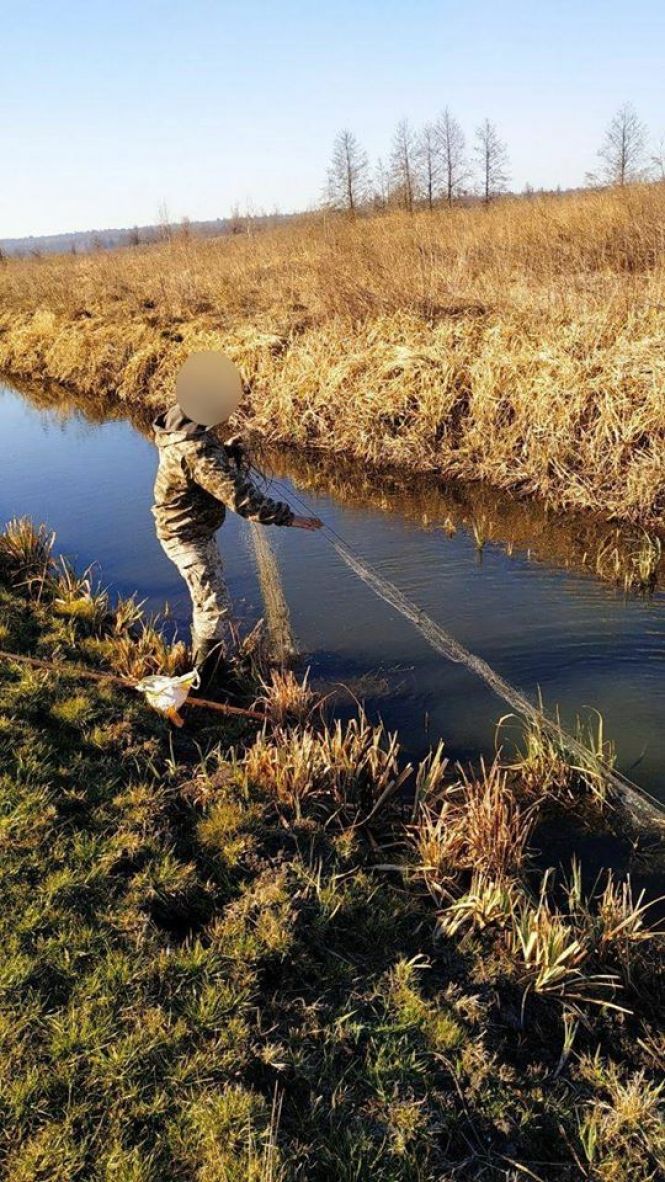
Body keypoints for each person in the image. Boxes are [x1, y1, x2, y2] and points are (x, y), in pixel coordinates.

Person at [152, 402, 321, 687]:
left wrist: (226, 450)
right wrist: (288, 517)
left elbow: (202, 461)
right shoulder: (195, 451)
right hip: (185, 537)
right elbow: (240, 499)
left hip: (194, 531)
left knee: (212, 598)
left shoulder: (180, 431)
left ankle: (211, 669)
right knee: (213, 606)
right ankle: (205, 682)